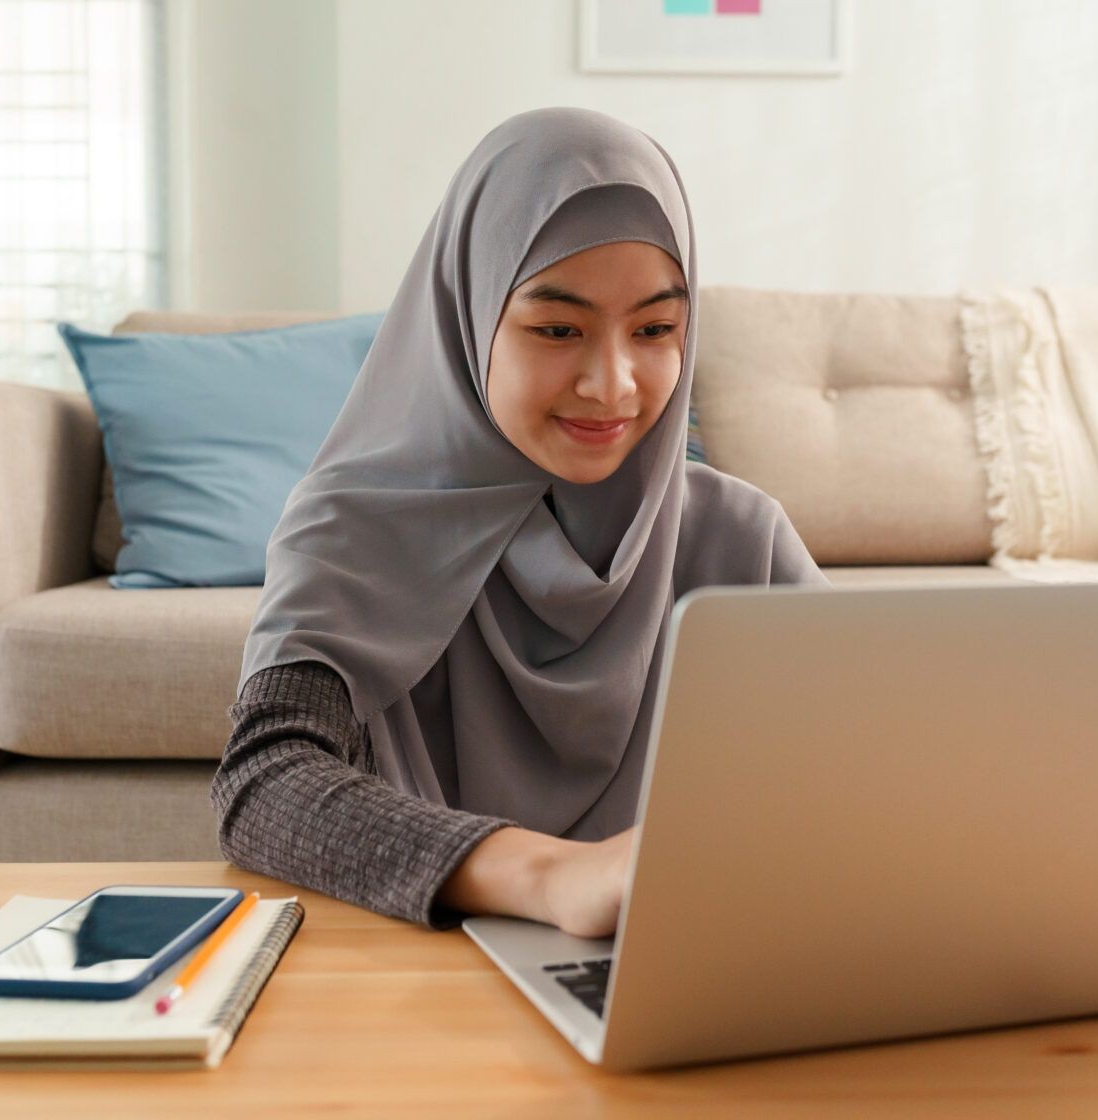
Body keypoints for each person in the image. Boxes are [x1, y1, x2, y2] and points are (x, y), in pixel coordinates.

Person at [210, 106, 826, 940]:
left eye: (655, 330)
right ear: (468, 318)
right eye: (557, 329)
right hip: (425, 985)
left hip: (687, 972)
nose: (612, 385)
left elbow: (866, 781)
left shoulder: (740, 537)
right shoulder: (354, 530)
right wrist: (551, 875)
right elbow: (264, 784)